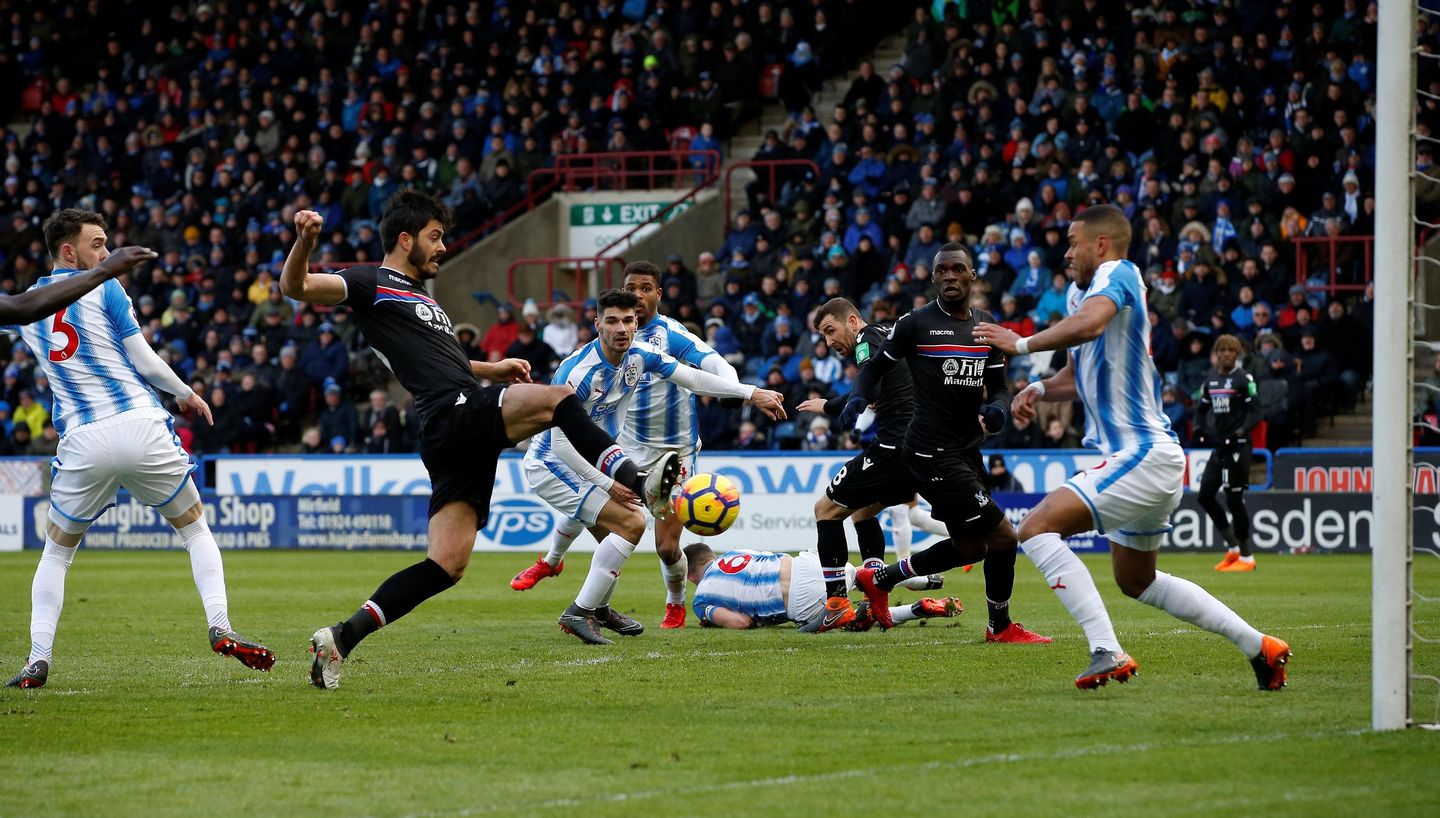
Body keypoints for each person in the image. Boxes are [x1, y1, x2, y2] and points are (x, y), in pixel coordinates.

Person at [282, 192, 684, 688]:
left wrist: (492, 368)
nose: (443, 247)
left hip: (453, 427)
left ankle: (340, 639)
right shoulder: (369, 281)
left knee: (445, 565)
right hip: (451, 413)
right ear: (404, 239)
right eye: (435, 237)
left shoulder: (423, 301)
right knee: (559, 400)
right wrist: (304, 240)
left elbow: (439, 359)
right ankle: (638, 480)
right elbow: (296, 286)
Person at [973, 204, 1290, 691]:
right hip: (1146, 460)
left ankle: (1106, 650)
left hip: (1141, 454)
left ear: (1100, 244)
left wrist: (1019, 344)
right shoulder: (1081, 292)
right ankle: (1261, 647)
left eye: (1073, 241)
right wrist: (1037, 389)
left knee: (1035, 528)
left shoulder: (1119, 274)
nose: (1066, 251)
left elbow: (1093, 324)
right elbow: (1079, 372)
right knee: (1136, 581)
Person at [6, 209, 272, 689]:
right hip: (138, 421)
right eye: (98, 244)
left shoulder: (27, 303)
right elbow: (141, 356)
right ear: (71, 252)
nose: (106, 254)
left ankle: (38, 658)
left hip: (83, 439)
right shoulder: (106, 286)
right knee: (195, 529)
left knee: (57, 552)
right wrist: (185, 392)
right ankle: (220, 626)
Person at [522, 288, 786, 644]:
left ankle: (598, 608)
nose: (622, 328)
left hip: (594, 457)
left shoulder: (640, 355)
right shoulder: (577, 374)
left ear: (636, 323)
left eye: (628, 321)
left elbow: (692, 377)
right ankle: (579, 612)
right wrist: (607, 480)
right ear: (597, 324)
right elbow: (559, 443)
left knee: (611, 536)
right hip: (553, 464)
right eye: (612, 321)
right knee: (631, 523)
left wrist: (751, 393)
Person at [832, 244, 1051, 643]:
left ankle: (880, 579)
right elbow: (874, 367)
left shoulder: (986, 326)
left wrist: (1000, 410)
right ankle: (999, 628)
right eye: (942, 271)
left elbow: (999, 389)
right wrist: (858, 397)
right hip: (929, 451)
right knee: (1004, 537)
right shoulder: (915, 324)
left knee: (971, 548)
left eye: (958, 269)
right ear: (933, 277)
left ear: (972, 275)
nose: (950, 276)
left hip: (967, 449)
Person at [796, 297, 949, 632]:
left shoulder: (867, 339)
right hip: (919, 446)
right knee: (864, 514)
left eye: (830, 330)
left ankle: (836, 604)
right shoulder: (887, 335)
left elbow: (869, 376)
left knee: (826, 510)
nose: (829, 341)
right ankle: (873, 595)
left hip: (894, 446)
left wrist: (834, 405)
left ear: (852, 321)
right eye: (822, 336)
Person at [683, 544, 962, 631]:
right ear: (711, 556)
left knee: (845, 621)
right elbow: (776, 557)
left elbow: (740, 622)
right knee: (863, 576)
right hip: (805, 565)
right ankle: (920, 580)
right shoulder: (734, 552)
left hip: (796, 602)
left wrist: (712, 620)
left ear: (691, 576)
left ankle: (915, 611)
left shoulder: (701, 597)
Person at [1195, 334, 1262, 572]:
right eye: (1221, 350)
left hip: (1239, 445)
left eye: (1230, 351)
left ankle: (1247, 557)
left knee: (1233, 499)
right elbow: (1200, 410)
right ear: (1216, 354)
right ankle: (1233, 548)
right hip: (1220, 446)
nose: (1226, 354)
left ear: (1237, 354)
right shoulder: (1211, 380)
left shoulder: (1244, 379)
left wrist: (1238, 433)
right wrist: (1201, 430)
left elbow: (1256, 413)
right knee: (1205, 496)